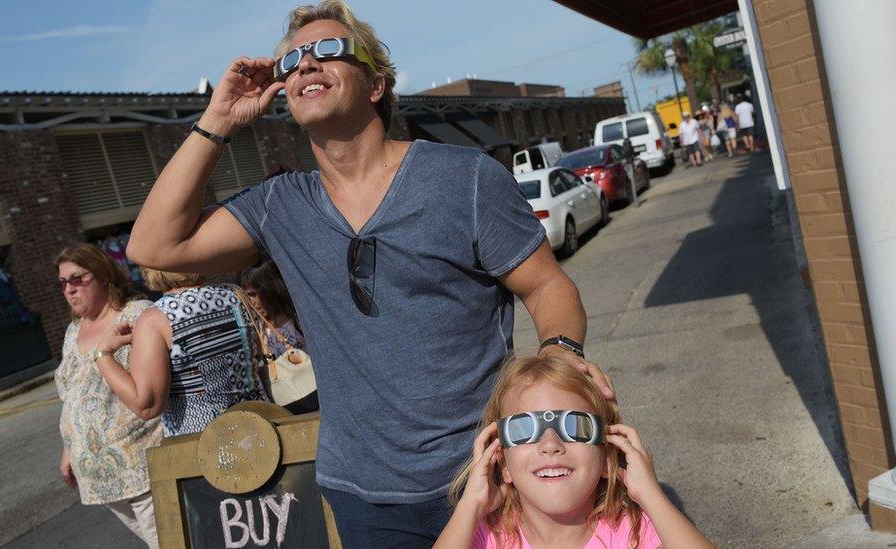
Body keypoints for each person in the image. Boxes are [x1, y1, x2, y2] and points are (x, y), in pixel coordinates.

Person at [125, 1, 612, 545]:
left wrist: (562, 352)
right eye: (293, 60)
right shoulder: (279, 205)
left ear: (376, 84)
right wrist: (218, 120)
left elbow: (548, 285)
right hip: (362, 496)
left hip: (486, 475)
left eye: (329, 50)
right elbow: (154, 245)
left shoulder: (464, 179)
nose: (307, 64)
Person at [436, 356, 714, 549]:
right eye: (523, 429)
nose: (550, 444)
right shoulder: (487, 536)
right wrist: (470, 504)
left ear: (607, 457)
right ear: (503, 463)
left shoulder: (633, 533)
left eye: (575, 426)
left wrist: (651, 495)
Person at [54, 243, 162, 548]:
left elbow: (154, 384)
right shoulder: (73, 331)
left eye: (78, 278)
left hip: (141, 465)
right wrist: (68, 448)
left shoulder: (136, 314)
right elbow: (72, 394)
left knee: (171, 542)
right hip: (99, 480)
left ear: (103, 275)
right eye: (63, 283)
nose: (70, 289)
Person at [94, 268, 269, 437]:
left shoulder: (156, 318)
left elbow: (147, 405)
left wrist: (104, 354)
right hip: (260, 427)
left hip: (204, 444)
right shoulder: (235, 294)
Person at [240, 261, 319, 414]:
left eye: (253, 295)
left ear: (269, 290)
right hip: (286, 408)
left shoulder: (300, 321)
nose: (251, 302)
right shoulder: (259, 329)